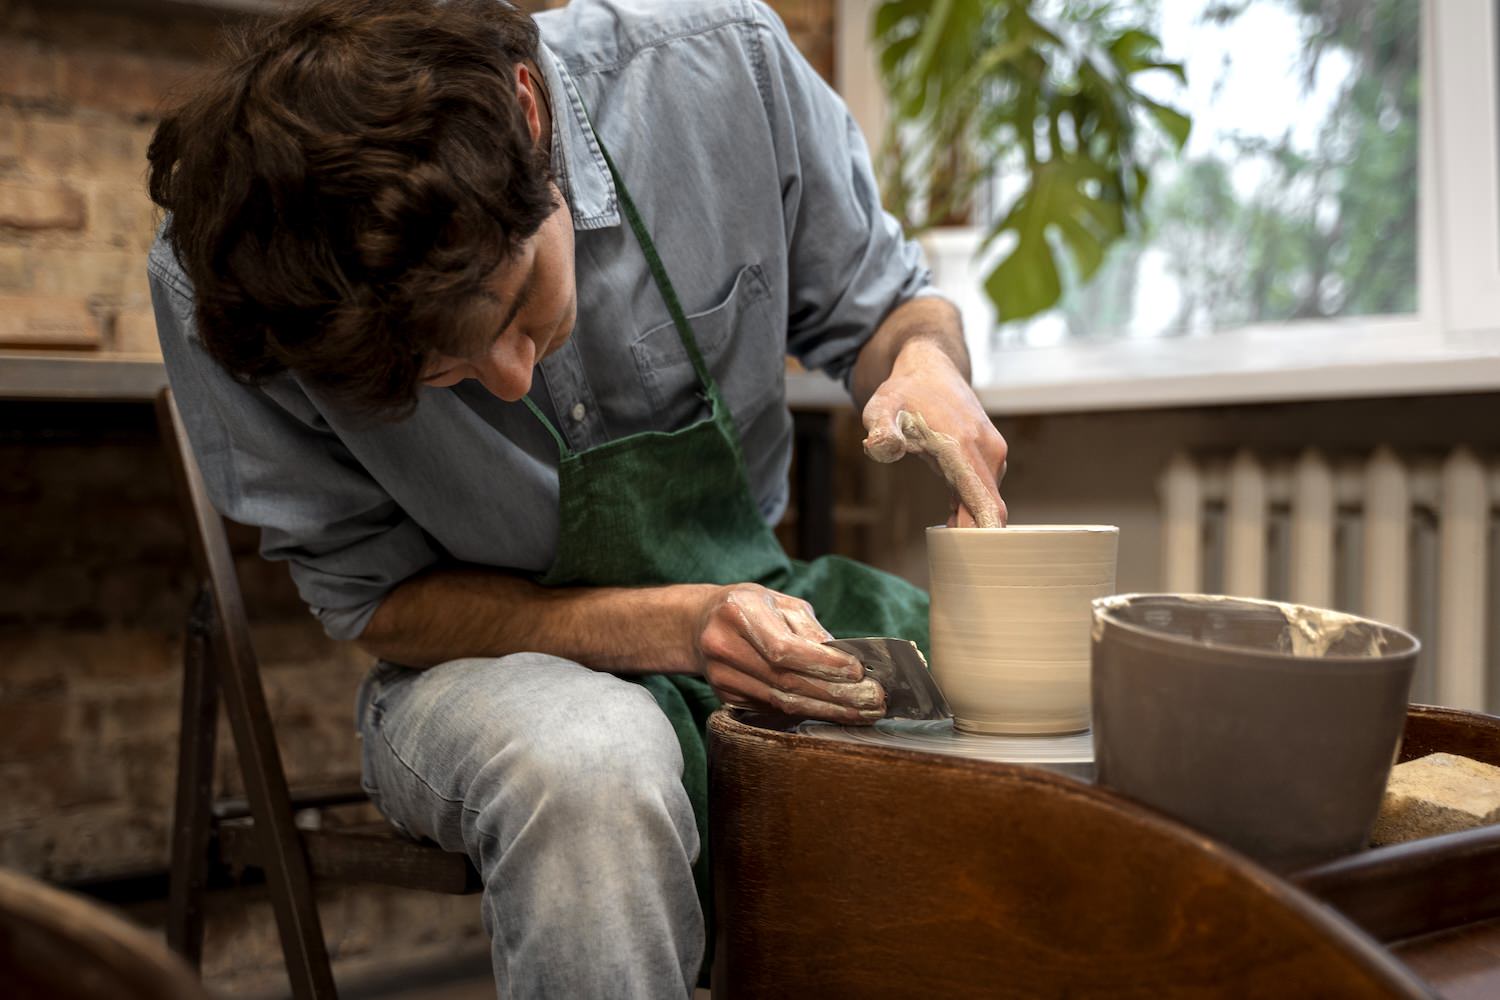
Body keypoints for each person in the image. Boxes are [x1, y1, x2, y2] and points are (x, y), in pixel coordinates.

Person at [145, 0, 1007, 995]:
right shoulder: (231, 277)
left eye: (517, 303)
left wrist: (926, 362)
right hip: (478, 659)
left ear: (529, 116)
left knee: (1040, 693)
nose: (508, 377)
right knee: (589, 764)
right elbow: (376, 601)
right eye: (437, 373)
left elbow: (891, 309)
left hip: (756, 587)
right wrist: (676, 624)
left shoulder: (721, 70)